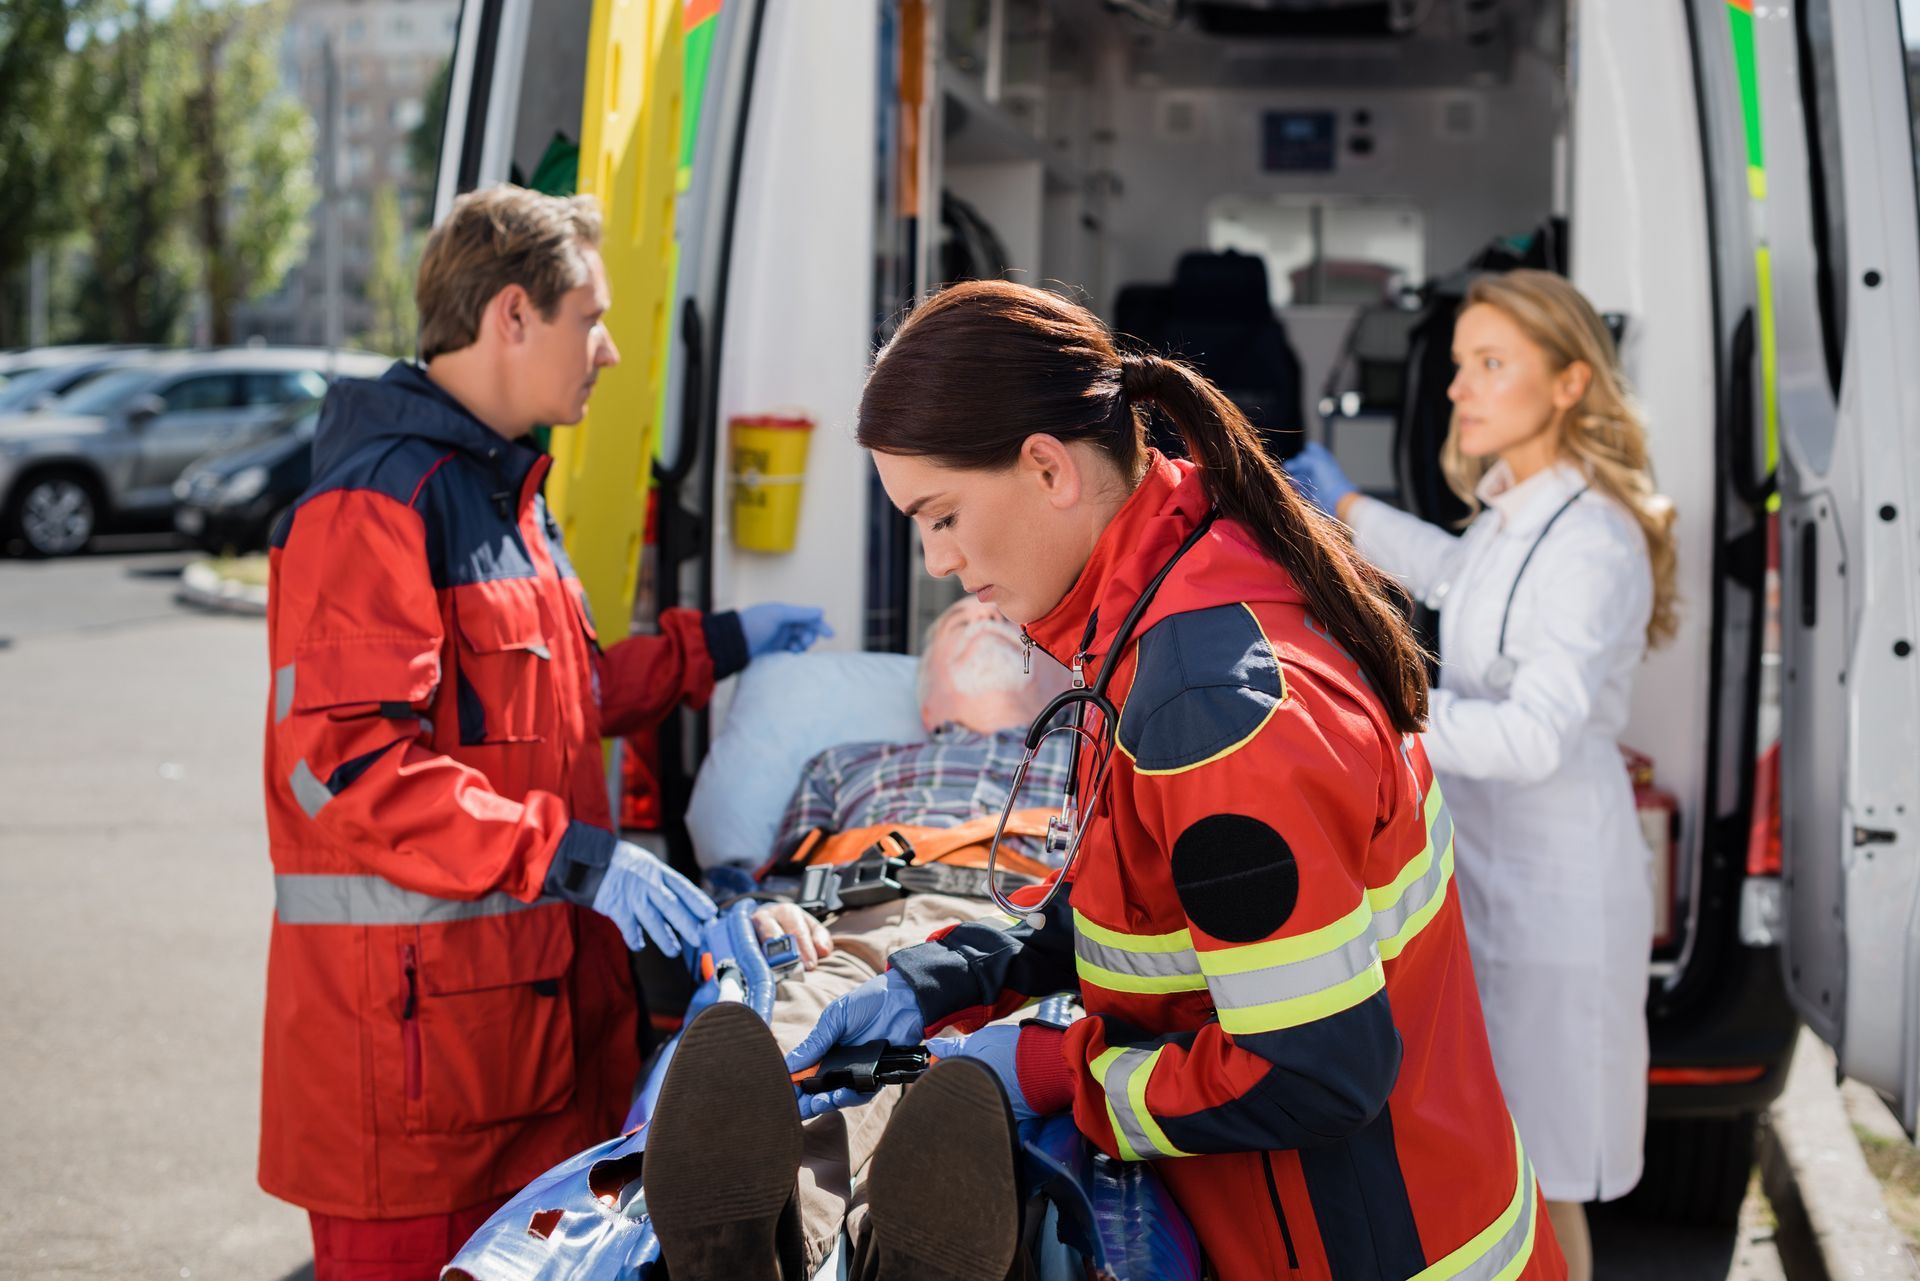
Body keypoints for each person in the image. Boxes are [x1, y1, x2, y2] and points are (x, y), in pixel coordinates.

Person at [758, 279, 1567, 1281]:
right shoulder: (1189, 582)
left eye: (944, 515)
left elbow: (1312, 1073)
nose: (936, 560)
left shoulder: (1204, 707)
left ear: (1048, 467)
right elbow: (1153, 915)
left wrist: (1054, 1071)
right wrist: (937, 982)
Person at [258, 184, 827, 1281]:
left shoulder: (502, 493)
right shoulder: (379, 503)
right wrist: (572, 857)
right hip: (417, 1091)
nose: (608, 351)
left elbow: (563, 690)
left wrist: (718, 645)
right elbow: (342, 768)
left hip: (522, 1055)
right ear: (513, 316)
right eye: (591, 318)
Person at [1284, 269, 1676, 1280]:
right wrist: (1349, 508)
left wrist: (1379, 712)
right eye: (1460, 365)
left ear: (1569, 384)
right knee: (1499, 1163)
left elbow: (1536, 735)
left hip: (1559, 898)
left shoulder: (1590, 538)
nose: (1459, 389)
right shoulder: (1516, 510)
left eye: (1491, 366)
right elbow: (1462, 580)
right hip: (1488, 874)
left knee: (1544, 1178)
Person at [643, 596, 1074, 1277]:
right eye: (960, 622)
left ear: (1057, 680)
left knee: (965, 1104)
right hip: (859, 933)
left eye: (1002, 619)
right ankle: (763, 1244)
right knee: (797, 1051)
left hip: (1026, 942)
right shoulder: (843, 764)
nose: (983, 614)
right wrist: (760, 907)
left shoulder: (1092, 759)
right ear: (926, 689)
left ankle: (908, 1255)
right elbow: (778, 877)